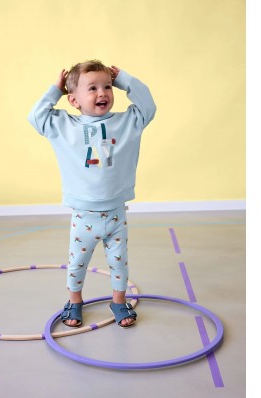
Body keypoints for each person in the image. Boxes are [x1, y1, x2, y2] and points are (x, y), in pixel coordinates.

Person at [28, 60, 156, 328]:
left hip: (116, 214)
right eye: (93, 88)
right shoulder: (63, 126)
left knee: (119, 264)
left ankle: (119, 302)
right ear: (73, 100)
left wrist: (124, 80)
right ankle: (74, 302)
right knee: (77, 264)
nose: (102, 93)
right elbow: (36, 116)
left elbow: (148, 106)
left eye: (108, 86)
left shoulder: (128, 122)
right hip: (83, 216)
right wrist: (56, 90)